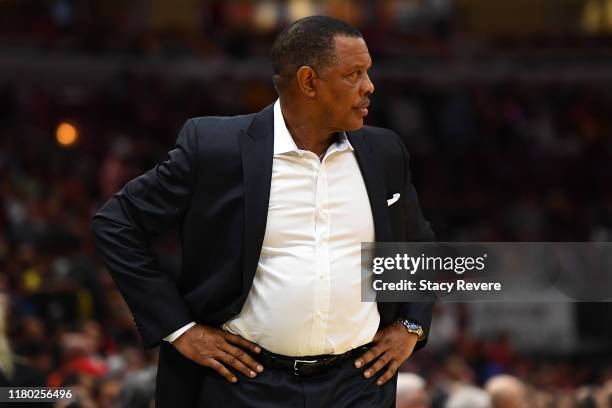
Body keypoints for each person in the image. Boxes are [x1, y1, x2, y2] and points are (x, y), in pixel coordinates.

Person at [91, 15, 434, 407]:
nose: (369, 86)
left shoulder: (385, 151)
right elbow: (116, 224)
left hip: (358, 384)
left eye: (367, 72)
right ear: (309, 82)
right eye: (354, 74)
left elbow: (419, 242)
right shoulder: (215, 147)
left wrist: (412, 324)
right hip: (246, 383)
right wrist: (180, 329)